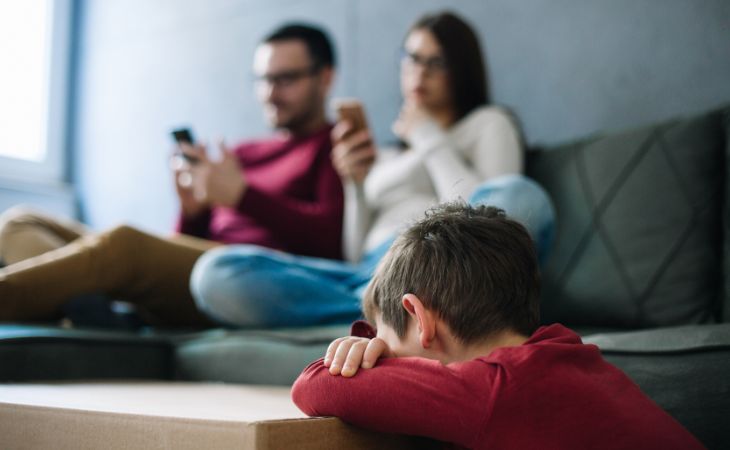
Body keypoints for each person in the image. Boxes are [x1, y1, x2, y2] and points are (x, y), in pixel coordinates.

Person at [190, 11, 554, 327]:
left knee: (522, 194)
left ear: (461, 68)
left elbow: (489, 229)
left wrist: (427, 135)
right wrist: (356, 185)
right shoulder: (387, 155)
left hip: (441, 263)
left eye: (435, 62)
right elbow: (352, 252)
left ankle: (397, 308)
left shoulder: (488, 124)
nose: (419, 73)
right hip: (369, 273)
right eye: (411, 58)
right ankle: (389, 310)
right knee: (217, 272)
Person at [0, 23, 344, 326]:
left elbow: (329, 243)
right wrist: (190, 211)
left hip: (246, 278)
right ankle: (100, 313)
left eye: (286, 79)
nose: (270, 93)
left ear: (325, 77)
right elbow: (182, 243)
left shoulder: (335, 146)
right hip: (196, 269)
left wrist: (243, 197)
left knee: (125, 245)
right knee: (20, 223)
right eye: (263, 79)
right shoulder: (240, 153)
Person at [291, 202, 704, 450]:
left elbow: (312, 386)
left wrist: (353, 361)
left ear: (419, 319)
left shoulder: (495, 390)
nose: (381, 354)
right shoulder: (562, 355)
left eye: (384, 341)